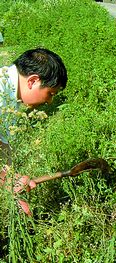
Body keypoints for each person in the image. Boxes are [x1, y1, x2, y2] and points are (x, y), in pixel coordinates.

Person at [0, 48, 68, 215]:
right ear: (33, 81)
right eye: (50, 93)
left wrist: (9, 181)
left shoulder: (11, 97)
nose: (49, 101)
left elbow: (3, 145)